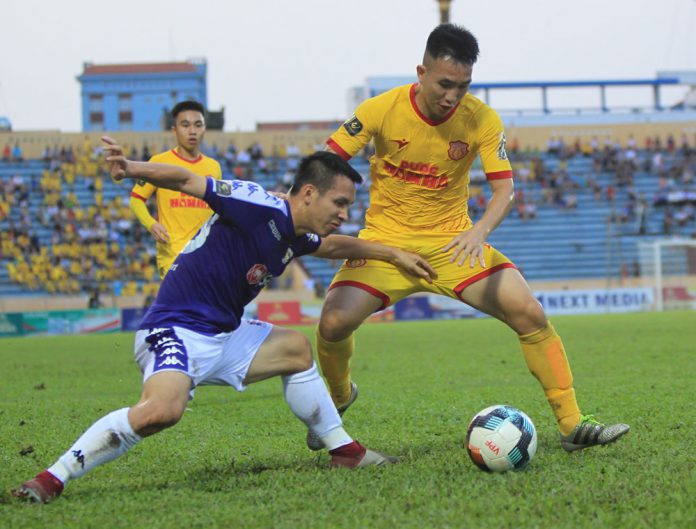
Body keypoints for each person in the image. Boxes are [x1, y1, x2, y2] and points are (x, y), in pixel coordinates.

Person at [12, 138, 437, 504]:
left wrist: (393, 253)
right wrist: (131, 169)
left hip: (224, 334)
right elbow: (185, 181)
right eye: (340, 202)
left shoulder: (296, 235)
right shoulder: (255, 204)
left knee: (295, 348)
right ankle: (52, 478)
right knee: (162, 411)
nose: (345, 212)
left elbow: (329, 246)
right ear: (309, 193)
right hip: (174, 327)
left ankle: (343, 449)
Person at [308, 23, 629, 454]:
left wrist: (478, 232)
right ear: (421, 72)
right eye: (444, 84)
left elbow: (504, 190)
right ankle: (341, 395)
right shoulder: (380, 109)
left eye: (462, 86)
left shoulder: (480, 117)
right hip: (387, 245)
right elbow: (327, 162)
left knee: (529, 313)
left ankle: (573, 425)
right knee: (332, 322)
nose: (452, 96)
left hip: (455, 246)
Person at [130, 100, 222, 279]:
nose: (192, 131)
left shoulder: (214, 167)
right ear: (174, 129)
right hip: (173, 256)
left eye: (198, 125)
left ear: (204, 129)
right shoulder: (158, 162)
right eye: (185, 125)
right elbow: (136, 199)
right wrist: (151, 224)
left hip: (206, 256)